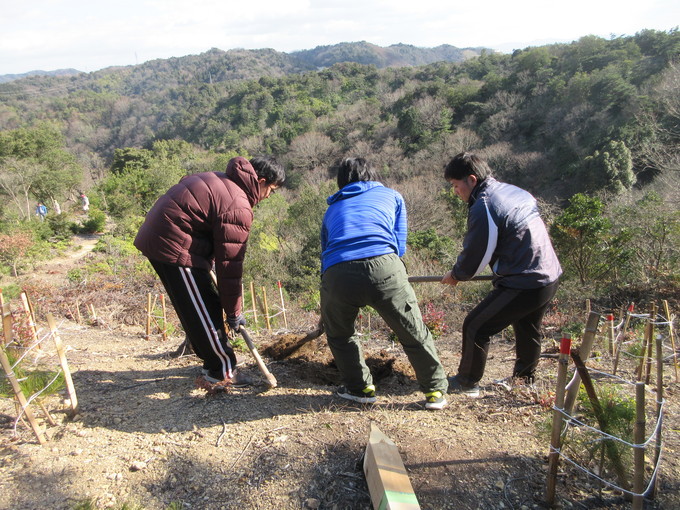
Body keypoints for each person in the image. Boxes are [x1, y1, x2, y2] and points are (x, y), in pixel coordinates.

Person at [134, 156, 285, 389]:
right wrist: (234, 313)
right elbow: (231, 267)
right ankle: (222, 371)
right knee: (203, 309)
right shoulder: (238, 204)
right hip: (174, 244)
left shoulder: (222, 179)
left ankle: (213, 364)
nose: (268, 197)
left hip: (166, 238)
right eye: (271, 191)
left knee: (198, 306)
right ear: (262, 181)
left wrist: (208, 261)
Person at [320, 157, 449, 410]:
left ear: (341, 181)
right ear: (372, 174)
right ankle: (435, 391)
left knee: (340, 335)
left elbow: (326, 252)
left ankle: (361, 390)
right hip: (384, 266)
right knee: (412, 330)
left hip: (338, 272)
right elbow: (399, 245)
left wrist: (329, 297)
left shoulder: (332, 209)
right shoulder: (392, 196)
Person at [441, 152, 562, 397]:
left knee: (476, 325)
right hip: (548, 274)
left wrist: (457, 274)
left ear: (472, 180)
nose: (455, 192)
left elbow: (477, 251)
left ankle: (466, 382)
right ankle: (524, 380)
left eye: (456, 185)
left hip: (524, 280)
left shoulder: (484, 204)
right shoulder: (513, 191)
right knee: (528, 327)